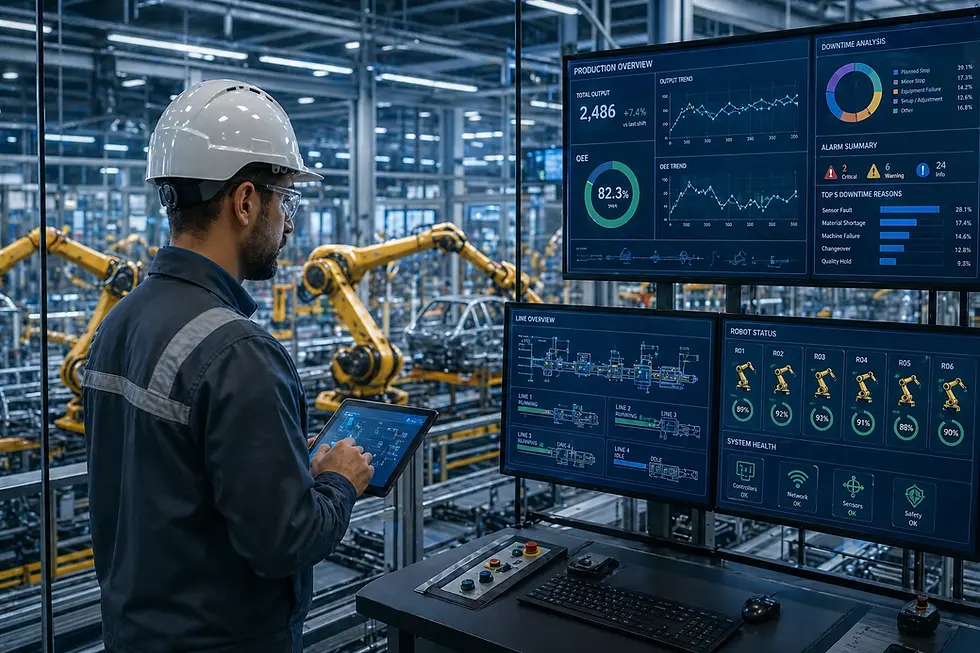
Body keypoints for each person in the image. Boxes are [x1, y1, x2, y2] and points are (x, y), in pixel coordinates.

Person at [82, 79, 374, 653]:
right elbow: (284, 543)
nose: (289, 224)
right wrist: (340, 481)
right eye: (284, 200)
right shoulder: (240, 353)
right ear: (244, 202)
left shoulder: (119, 321)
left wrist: (284, 468)